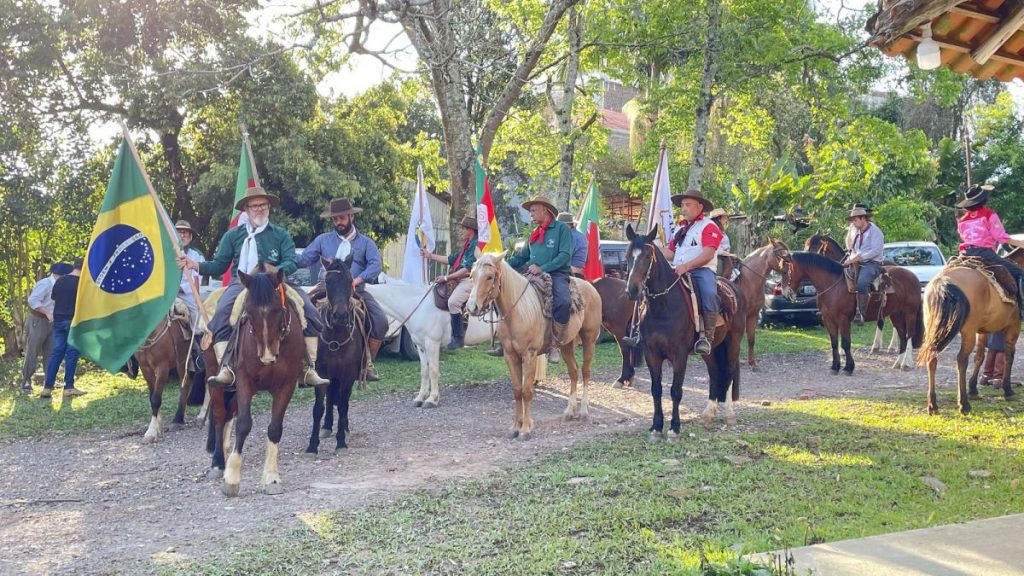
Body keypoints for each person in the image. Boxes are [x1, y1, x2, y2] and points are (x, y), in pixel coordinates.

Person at [177, 186, 329, 388]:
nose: (259, 209)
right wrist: (194, 264)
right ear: (246, 210)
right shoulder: (232, 236)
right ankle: (226, 368)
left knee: (310, 312)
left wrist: (276, 270)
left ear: (269, 208)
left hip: (276, 283)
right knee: (221, 314)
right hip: (242, 283)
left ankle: (308, 367)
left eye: (263, 205)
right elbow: (220, 265)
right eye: (254, 206)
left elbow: (291, 261)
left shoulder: (280, 235)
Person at [296, 198, 388, 380]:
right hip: (325, 289)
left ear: (351, 216)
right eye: (335, 219)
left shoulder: (366, 243)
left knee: (380, 320)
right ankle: (305, 364)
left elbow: (375, 265)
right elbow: (304, 259)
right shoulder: (322, 240)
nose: (338, 222)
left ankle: (366, 364)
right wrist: (283, 259)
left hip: (355, 289)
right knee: (299, 314)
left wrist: (358, 279)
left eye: (342, 218)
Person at [507, 196, 573, 363]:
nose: (530, 214)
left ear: (545, 210)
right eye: (530, 211)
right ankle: (508, 341)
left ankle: (555, 345)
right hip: (533, 273)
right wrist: (500, 263)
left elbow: (565, 256)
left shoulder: (561, 229)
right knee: (511, 297)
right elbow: (523, 256)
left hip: (557, 273)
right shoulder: (534, 234)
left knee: (563, 301)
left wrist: (543, 268)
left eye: (533, 210)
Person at [663, 190, 723, 356]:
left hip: (701, 271)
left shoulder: (709, 226)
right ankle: (642, 331)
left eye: (687, 205)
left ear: (700, 207)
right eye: (682, 205)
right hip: (677, 271)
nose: (684, 208)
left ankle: (707, 337)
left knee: (709, 293)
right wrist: (654, 249)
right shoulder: (679, 229)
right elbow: (671, 253)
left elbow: (708, 253)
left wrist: (687, 266)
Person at [956, 183, 1024, 319]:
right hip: (985, 254)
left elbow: (963, 236)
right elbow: (1001, 237)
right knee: (1020, 273)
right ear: (984, 200)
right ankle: (1022, 309)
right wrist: (1020, 244)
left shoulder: (962, 220)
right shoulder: (989, 215)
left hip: (965, 254)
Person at [421, 214, 479, 350]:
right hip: (459, 278)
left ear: (471, 230)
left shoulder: (475, 246)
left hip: (469, 279)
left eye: (463, 229)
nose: (461, 231)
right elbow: (451, 259)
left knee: (453, 302)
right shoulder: (466, 245)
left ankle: (458, 338)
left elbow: (466, 269)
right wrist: (430, 256)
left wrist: (447, 278)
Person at [19, 262, 70, 393]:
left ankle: (49, 382)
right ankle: (26, 381)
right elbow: (33, 300)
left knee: (51, 353)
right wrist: (47, 312)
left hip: (53, 322)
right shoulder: (45, 284)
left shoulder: (61, 285)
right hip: (38, 320)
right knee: (33, 351)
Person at [41, 259, 85, 398]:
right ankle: (69, 387)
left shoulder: (60, 281)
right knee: (71, 354)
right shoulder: (82, 284)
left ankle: (47, 388)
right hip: (73, 321)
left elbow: (53, 300)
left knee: (57, 353)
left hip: (58, 320)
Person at [845, 205, 885, 326]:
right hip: (856, 262)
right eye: (853, 220)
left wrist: (859, 257)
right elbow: (852, 248)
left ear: (863, 219)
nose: (853, 223)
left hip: (872, 263)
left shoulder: (875, 232)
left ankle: (861, 313)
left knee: (862, 283)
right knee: (841, 277)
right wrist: (851, 258)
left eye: (855, 220)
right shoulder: (856, 232)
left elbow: (876, 250)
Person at [174, 220, 205, 331]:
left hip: (186, 294)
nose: (182, 235)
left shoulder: (197, 255)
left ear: (190, 236)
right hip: (166, 294)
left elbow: (197, 279)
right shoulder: (163, 253)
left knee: (197, 315)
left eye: (185, 233)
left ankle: (196, 343)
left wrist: (181, 288)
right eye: (178, 232)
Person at [556, 212, 589, 278]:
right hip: (575, 270)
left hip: (572, 272)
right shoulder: (580, 235)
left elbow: (565, 256)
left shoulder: (570, 236)